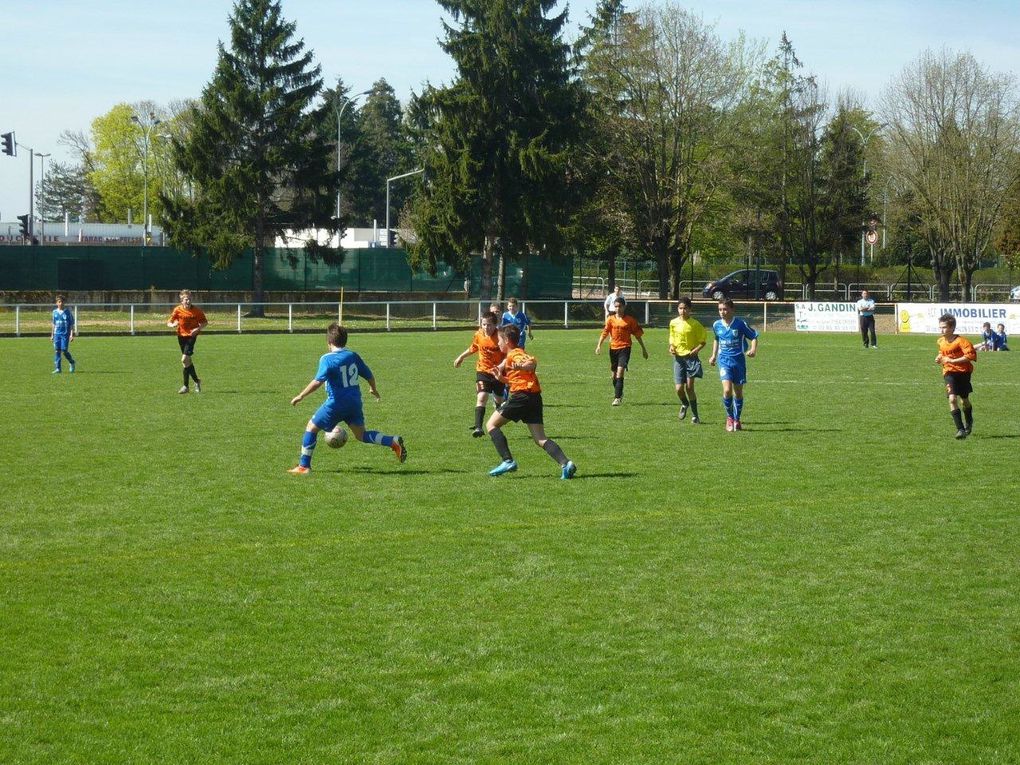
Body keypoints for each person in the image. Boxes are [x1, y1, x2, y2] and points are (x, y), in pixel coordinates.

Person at [288, 323, 406, 474]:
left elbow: (318, 381)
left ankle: (304, 466)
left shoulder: (327, 359)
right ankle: (392, 441)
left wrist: (301, 395)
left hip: (336, 403)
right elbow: (369, 374)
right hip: (354, 402)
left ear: (329, 342)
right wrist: (373, 389)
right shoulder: (353, 356)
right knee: (361, 435)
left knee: (311, 427)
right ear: (345, 341)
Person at [485, 324, 575, 479]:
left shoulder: (515, 354)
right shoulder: (512, 356)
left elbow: (531, 363)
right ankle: (566, 464)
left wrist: (521, 365)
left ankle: (507, 460)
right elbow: (518, 379)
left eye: (499, 340)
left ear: (506, 340)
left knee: (491, 425)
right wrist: (502, 379)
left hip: (522, 396)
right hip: (533, 397)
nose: (498, 343)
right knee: (540, 438)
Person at [454, 310, 506, 437]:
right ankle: (478, 427)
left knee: (499, 399)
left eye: (489, 325)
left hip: (498, 373)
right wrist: (461, 357)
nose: (486, 327)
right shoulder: (478, 334)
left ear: (495, 325)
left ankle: (496, 419)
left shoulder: (500, 337)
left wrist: (500, 367)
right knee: (482, 397)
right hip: (483, 371)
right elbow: (474, 347)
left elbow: (508, 355)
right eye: (483, 324)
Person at [709, 299, 758, 432]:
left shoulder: (740, 324)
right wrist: (713, 355)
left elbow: (753, 336)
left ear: (732, 309)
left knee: (738, 392)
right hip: (724, 360)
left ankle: (737, 419)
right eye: (720, 310)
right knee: (726, 390)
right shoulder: (716, 325)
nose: (722, 312)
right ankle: (729, 418)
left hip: (738, 361)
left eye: (725, 309)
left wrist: (753, 349)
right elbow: (717, 339)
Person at [595, 295, 648, 406]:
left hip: (625, 348)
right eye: (616, 306)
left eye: (619, 306)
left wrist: (644, 349)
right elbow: (604, 333)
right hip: (613, 348)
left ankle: (617, 398)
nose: (617, 308)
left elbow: (638, 335)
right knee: (614, 375)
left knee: (620, 372)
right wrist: (599, 345)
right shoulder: (610, 319)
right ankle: (619, 392)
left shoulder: (630, 320)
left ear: (624, 307)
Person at [935, 313, 977, 439]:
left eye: (944, 327)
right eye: (940, 327)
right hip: (949, 373)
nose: (941, 330)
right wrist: (939, 358)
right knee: (952, 399)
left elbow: (970, 356)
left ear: (952, 327)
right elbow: (942, 353)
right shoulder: (941, 341)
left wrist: (953, 360)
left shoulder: (962, 341)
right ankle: (960, 430)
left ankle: (969, 420)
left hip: (963, 373)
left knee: (964, 400)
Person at [668, 297, 707, 423]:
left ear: (690, 309)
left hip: (691, 358)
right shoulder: (673, 323)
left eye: (685, 308)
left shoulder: (695, 324)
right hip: (678, 359)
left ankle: (695, 416)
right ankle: (685, 404)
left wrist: (697, 349)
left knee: (690, 388)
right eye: (680, 308)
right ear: (677, 309)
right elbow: (672, 338)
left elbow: (703, 341)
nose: (682, 310)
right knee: (679, 389)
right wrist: (671, 347)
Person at [167, 289, 207, 393]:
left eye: (189, 299)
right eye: (186, 299)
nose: (188, 301)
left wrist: (197, 329)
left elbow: (204, 322)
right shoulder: (177, 310)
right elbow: (169, 322)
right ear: (182, 300)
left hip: (191, 336)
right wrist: (173, 325)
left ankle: (186, 386)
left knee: (184, 359)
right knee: (187, 362)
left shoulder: (197, 311)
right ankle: (195, 382)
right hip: (181, 336)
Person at [50, 294, 77, 374]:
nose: (61, 303)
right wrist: (52, 335)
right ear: (56, 303)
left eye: (62, 302)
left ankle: (72, 362)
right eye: (59, 302)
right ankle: (58, 368)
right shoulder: (54, 312)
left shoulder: (67, 312)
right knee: (57, 351)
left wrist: (71, 335)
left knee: (64, 350)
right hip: (57, 334)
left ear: (64, 303)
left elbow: (71, 324)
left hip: (65, 334)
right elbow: (53, 324)